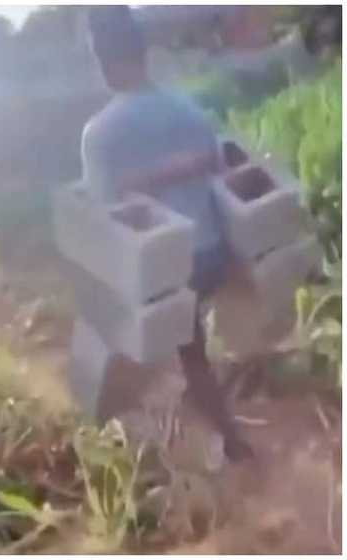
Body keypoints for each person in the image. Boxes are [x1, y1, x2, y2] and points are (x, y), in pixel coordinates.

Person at [80, 6, 254, 461]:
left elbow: (105, 215)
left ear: (103, 60)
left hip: (171, 272)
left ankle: (230, 440)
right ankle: (193, 387)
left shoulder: (99, 133)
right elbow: (219, 167)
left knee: (178, 342)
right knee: (188, 326)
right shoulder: (188, 107)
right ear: (144, 54)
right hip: (215, 252)